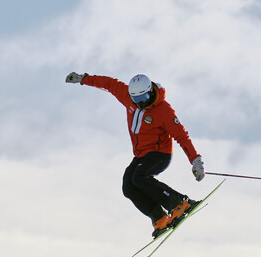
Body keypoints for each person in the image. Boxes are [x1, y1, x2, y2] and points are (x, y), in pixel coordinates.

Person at [66, 72, 205, 237]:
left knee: (140, 177)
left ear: (150, 92)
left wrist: (196, 161)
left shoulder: (163, 110)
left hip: (160, 154)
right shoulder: (127, 97)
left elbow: (182, 136)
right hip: (141, 155)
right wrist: (83, 79)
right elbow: (109, 84)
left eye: (143, 98)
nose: (140, 103)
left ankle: (179, 204)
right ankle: (160, 218)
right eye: (136, 100)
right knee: (128, 186)